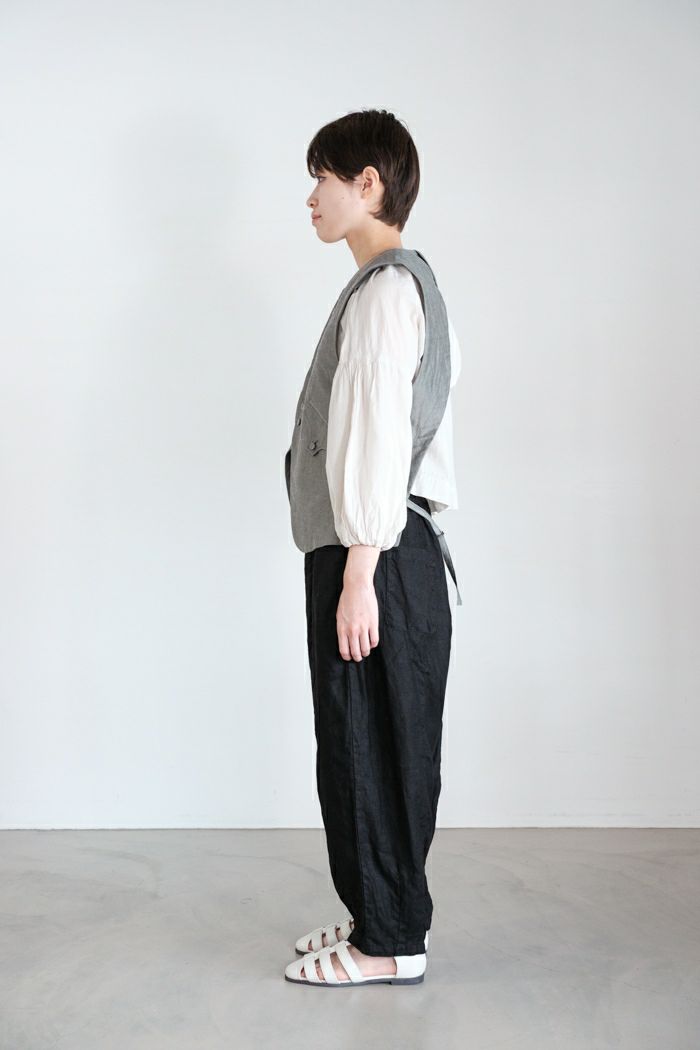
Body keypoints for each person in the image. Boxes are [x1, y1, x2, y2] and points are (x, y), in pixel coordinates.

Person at [283, 109, 461, 988]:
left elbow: (379, 444)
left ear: (368, 183)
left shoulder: (387, 292)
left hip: (375, 553)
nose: (310, 197)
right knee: (376, 741)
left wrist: (359, 572)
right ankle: (377, 915)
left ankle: (388, 943)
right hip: (387, 549)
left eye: (322, 177)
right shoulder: (394, 285)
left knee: (366, 744)